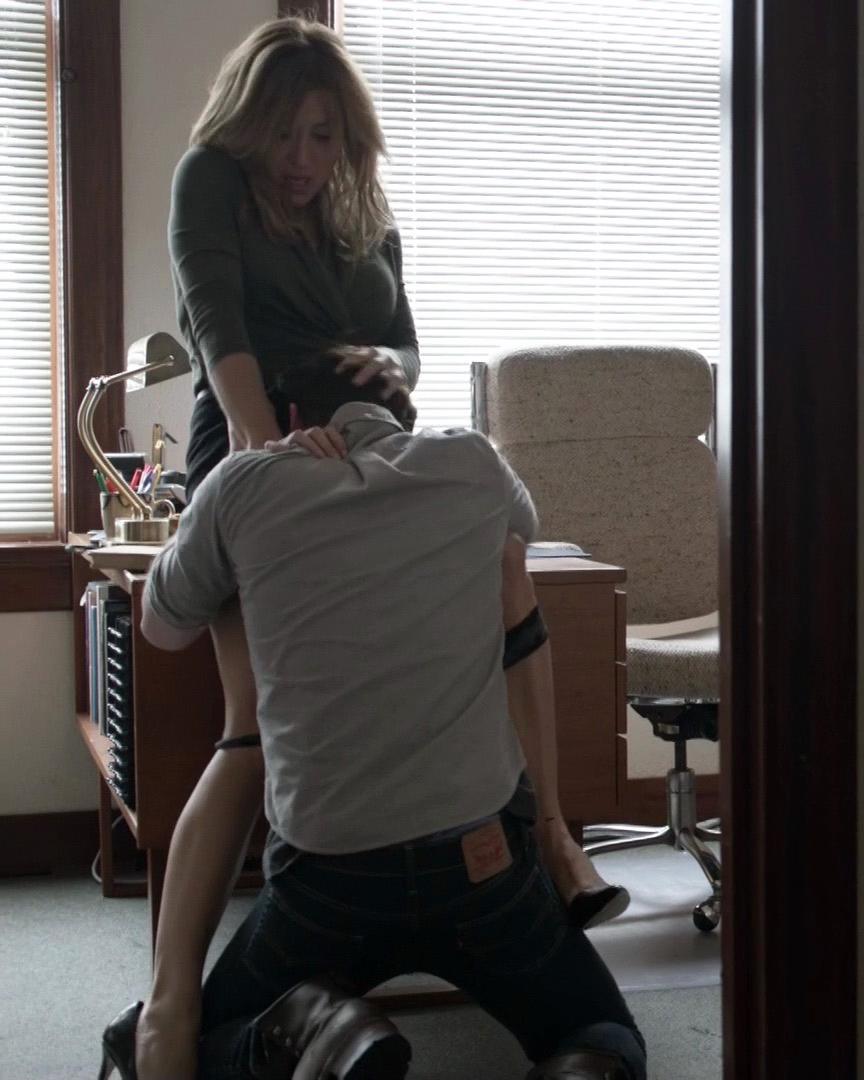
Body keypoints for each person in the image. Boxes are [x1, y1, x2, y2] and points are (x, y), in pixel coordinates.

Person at [131, 15, 624, 1076]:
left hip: (369, 437)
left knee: (504, 569)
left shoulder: (363, 204)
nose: (303, 159)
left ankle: (543, 831)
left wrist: (391, 368)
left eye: (323, 136)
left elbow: (406, 340)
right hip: (263, 435)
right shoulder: (209, 181)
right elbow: (219, 329)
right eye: (285, 135)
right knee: (250, 727)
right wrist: (267, 459)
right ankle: (173, 999)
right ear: (249, 126)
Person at [110, 356, 648, 1080]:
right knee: (602, 1030)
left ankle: (315, 1030)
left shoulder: (242, 484)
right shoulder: (473, 461)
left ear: (292, 420)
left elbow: (162, 626)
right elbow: (520, 531)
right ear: (404, 415)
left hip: (328, 877)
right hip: (480, 863)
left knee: (199, 1037)